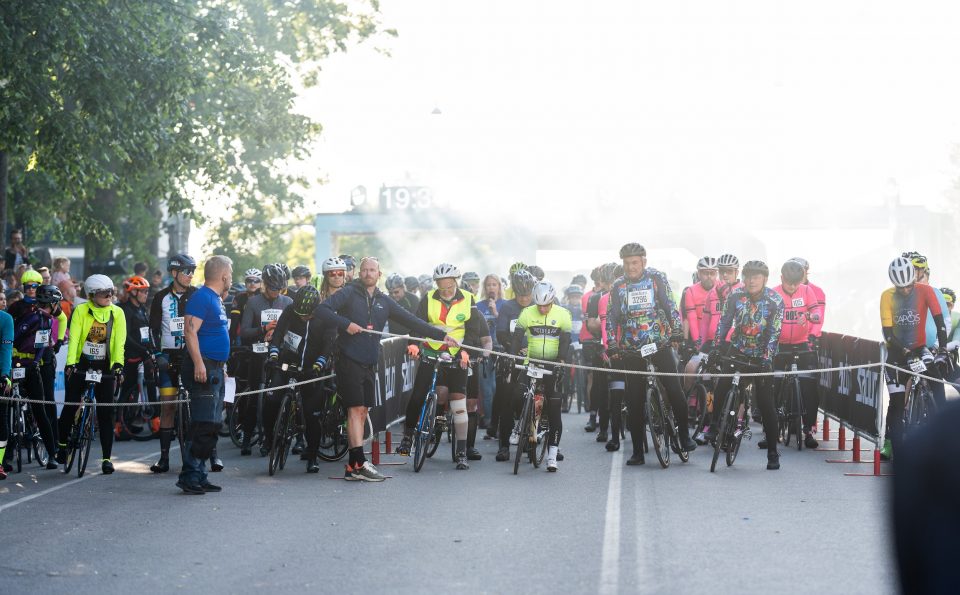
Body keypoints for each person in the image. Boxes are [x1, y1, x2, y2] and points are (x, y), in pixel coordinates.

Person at [315, 256, 457, 481]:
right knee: (354, 409)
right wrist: (346, 324)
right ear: (360, 273)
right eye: (364, 270)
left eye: (372, 270)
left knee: (362, 411)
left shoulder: (384, 300)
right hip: (348, 359)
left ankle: (353, 465)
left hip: (370, 361)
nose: (368, 273)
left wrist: (443, 336)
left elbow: (412, 321)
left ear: (379, 274)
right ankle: (359, 462)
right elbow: (321, 310)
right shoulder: (349, 292)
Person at [605, 244, 698, 465]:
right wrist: (611, 344)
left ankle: (684, 436)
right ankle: (637, 451)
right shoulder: (618, 286)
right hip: (631, 349)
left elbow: (670, 306)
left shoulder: (656, 279)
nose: (631, 267)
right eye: (627, 263)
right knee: (634, 400)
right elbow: (611, 318)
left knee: (674, 388)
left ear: (644, 262)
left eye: (635, 262)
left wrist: (676, 330)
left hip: (660, 343)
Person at [398, 263, 491, 470]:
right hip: (432, 351)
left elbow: (473, 330)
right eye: (442, 287)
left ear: (456, 282)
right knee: (418, 394)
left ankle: (461, 452)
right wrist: (412, 344)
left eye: (449, 286)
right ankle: (408, 436)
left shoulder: (468, 298)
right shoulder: (429, 298)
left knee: (458, 403)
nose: (446, 291)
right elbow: (417, 323)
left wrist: (468, 351)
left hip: (457, 355)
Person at [707, 260, 784, 470]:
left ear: (765, 280)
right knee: (722, 386)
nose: (751, 281)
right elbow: (724, 323)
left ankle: (772, 452)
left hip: (762, 355)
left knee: (766, 403)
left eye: (756, 277)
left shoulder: (775, 301)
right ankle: (714, 426)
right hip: (738, 349)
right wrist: (715, 348)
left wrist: (767, 360)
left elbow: (774, 333)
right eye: (748, 276)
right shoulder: (735, 297)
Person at [56, 274, 127, 475]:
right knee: (70, 406)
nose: (110, 296)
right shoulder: (80, 310)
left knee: (106, 414)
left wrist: (118, 366)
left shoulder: (117, 313)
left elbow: (119, 343)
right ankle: (62, 445)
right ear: (93, 295)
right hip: (81, 364)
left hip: (105, 367)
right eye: (105, 294)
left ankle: (106, 458)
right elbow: (75, 338)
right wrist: (70, 363)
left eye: (111, 293)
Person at [879, 257, 948, 461]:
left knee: (936, 380)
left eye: (909, 285)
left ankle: (944, 437)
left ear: (914, 280)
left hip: (920, 348)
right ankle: (894, 445)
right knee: (897, 402)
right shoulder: (887, 296)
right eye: (901, 287)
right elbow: (888, 334)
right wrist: (906, 353)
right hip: (897, 352)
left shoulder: (926, 291)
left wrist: (943, 350)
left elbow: (939, 322)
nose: (906, 290)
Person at [176, 255, 232, 494]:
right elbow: (190, 332)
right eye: (230, 273)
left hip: (215, 368)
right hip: (204, 368)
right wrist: (199, 363)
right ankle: (189, 476)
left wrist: (222, 366)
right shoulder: (202, 297)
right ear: (224, 276)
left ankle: (200, 474)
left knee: (211, 425)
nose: (231, 277)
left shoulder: (216, 299)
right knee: (202, 424)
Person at [148, 254, 205, 473]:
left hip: (192, 356)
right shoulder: (160, 297)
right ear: (174, 273)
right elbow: (152, 330)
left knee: (200, 405)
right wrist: (156, 354)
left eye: (193, 271)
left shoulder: (198, 295)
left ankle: (211, 455)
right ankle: (164, 459)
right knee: (168, 407)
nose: (191, 275)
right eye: (186, 271)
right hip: (168, 357)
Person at [507, 281, 572, 471]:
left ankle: (552, 454)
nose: (543, 309)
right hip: (532, 363)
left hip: (553, 365)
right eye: (539, 305)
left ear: (552, 301)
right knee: (518, 396)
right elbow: (517, 338)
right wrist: (511, 356)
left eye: (546, 305)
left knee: (554, 410)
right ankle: (519, 426)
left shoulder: (563, 314)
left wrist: (561, 361)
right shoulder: (527, 313)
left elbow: (566, 341)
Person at [264, 285, 329, 472]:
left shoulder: (325, 316)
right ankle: (270, 440)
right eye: (299, 314)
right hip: (287, 364)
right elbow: (278, 334)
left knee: (311, 414)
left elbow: (329, 344)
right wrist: (274, 354)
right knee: (271, 401)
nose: (302, 318)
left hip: (311, 369)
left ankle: (312, 455)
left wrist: (319, 365)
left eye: (306, 315)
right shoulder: (290, 310)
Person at [237, 263, 292, 456]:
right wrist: (263, 329)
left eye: (279, 289)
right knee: (254, 396)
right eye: (272, 289)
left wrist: (278, 335)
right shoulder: (253, 303)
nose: (276, 293)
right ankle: (247, 436)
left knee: (274, 398)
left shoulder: (287, 302)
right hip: (258, 351)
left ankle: (272, 437)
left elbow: (293, 331)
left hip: (279, 352)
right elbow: (243, 332)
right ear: (264, 285)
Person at [771, 260, 823, 449]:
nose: (793, 287)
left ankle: (809, 430)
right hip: (779, 346)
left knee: (810, 387)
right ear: (782, 278)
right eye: (789, 283)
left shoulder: (807, 291)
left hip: (802, 344)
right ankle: (772, 429)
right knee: (772, 387)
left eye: (796, 283)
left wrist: (809, 317)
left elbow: (818, 314)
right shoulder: (774, 293)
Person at [8, 283, 59, 470]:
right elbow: (14, 336)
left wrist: (36, 362)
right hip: (16, 365)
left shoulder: (48, 320)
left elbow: (41, 347)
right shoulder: (32, 317)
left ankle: (52, 454)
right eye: (56, 303)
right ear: (51, 303)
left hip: (32, 368)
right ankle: (6, 456)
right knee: (10, 409)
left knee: (40, 409)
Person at [493, 269, 537, 459]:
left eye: (528, 296)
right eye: (521, 296)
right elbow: (501, 333)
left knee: (533, 401)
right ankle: (503, 446)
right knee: (507, 402)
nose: (525, 300)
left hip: (536, 359)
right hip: (513, 358)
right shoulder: (507, 308)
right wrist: (516, 348)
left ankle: (533, 440)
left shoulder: (541, 305)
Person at [116, 276, 158, 438]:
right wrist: (142, 350)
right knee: (127, 391)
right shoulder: (125, 310)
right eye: (143, 291)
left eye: (147, 291)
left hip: (144, 355)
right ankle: (119, 428)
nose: (146, 294)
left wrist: (152, 349)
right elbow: (126, 337)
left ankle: (156, 424)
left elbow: (148, 332)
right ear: (133, 292)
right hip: (131, 356)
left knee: (151, 386)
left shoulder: (142, 309)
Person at [477, 274, 504, 428]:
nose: (491, 287)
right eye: (488, 285)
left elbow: (507, 327)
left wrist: (495, 313)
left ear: (499, 287)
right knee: (487, 387)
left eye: (494, 284)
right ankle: (489, 420)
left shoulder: (505, 305)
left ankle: (500, 419)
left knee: (499, 387)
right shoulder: (479, 306)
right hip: (484, 350)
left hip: (501, 350)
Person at [683, 257, 718, 350]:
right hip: (699, 337)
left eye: (712, 273)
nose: (709, 276)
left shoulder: (722, 288)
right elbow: (692, 319)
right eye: (706, 273)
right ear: (699, 274)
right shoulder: (690, 291)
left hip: (718, 339)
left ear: (717, 274)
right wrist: (697, 342)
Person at [0, 303, 13, 479]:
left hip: (0, 373)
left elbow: (6, 350)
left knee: (0, 419)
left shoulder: (5, 319)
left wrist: (4, 375)